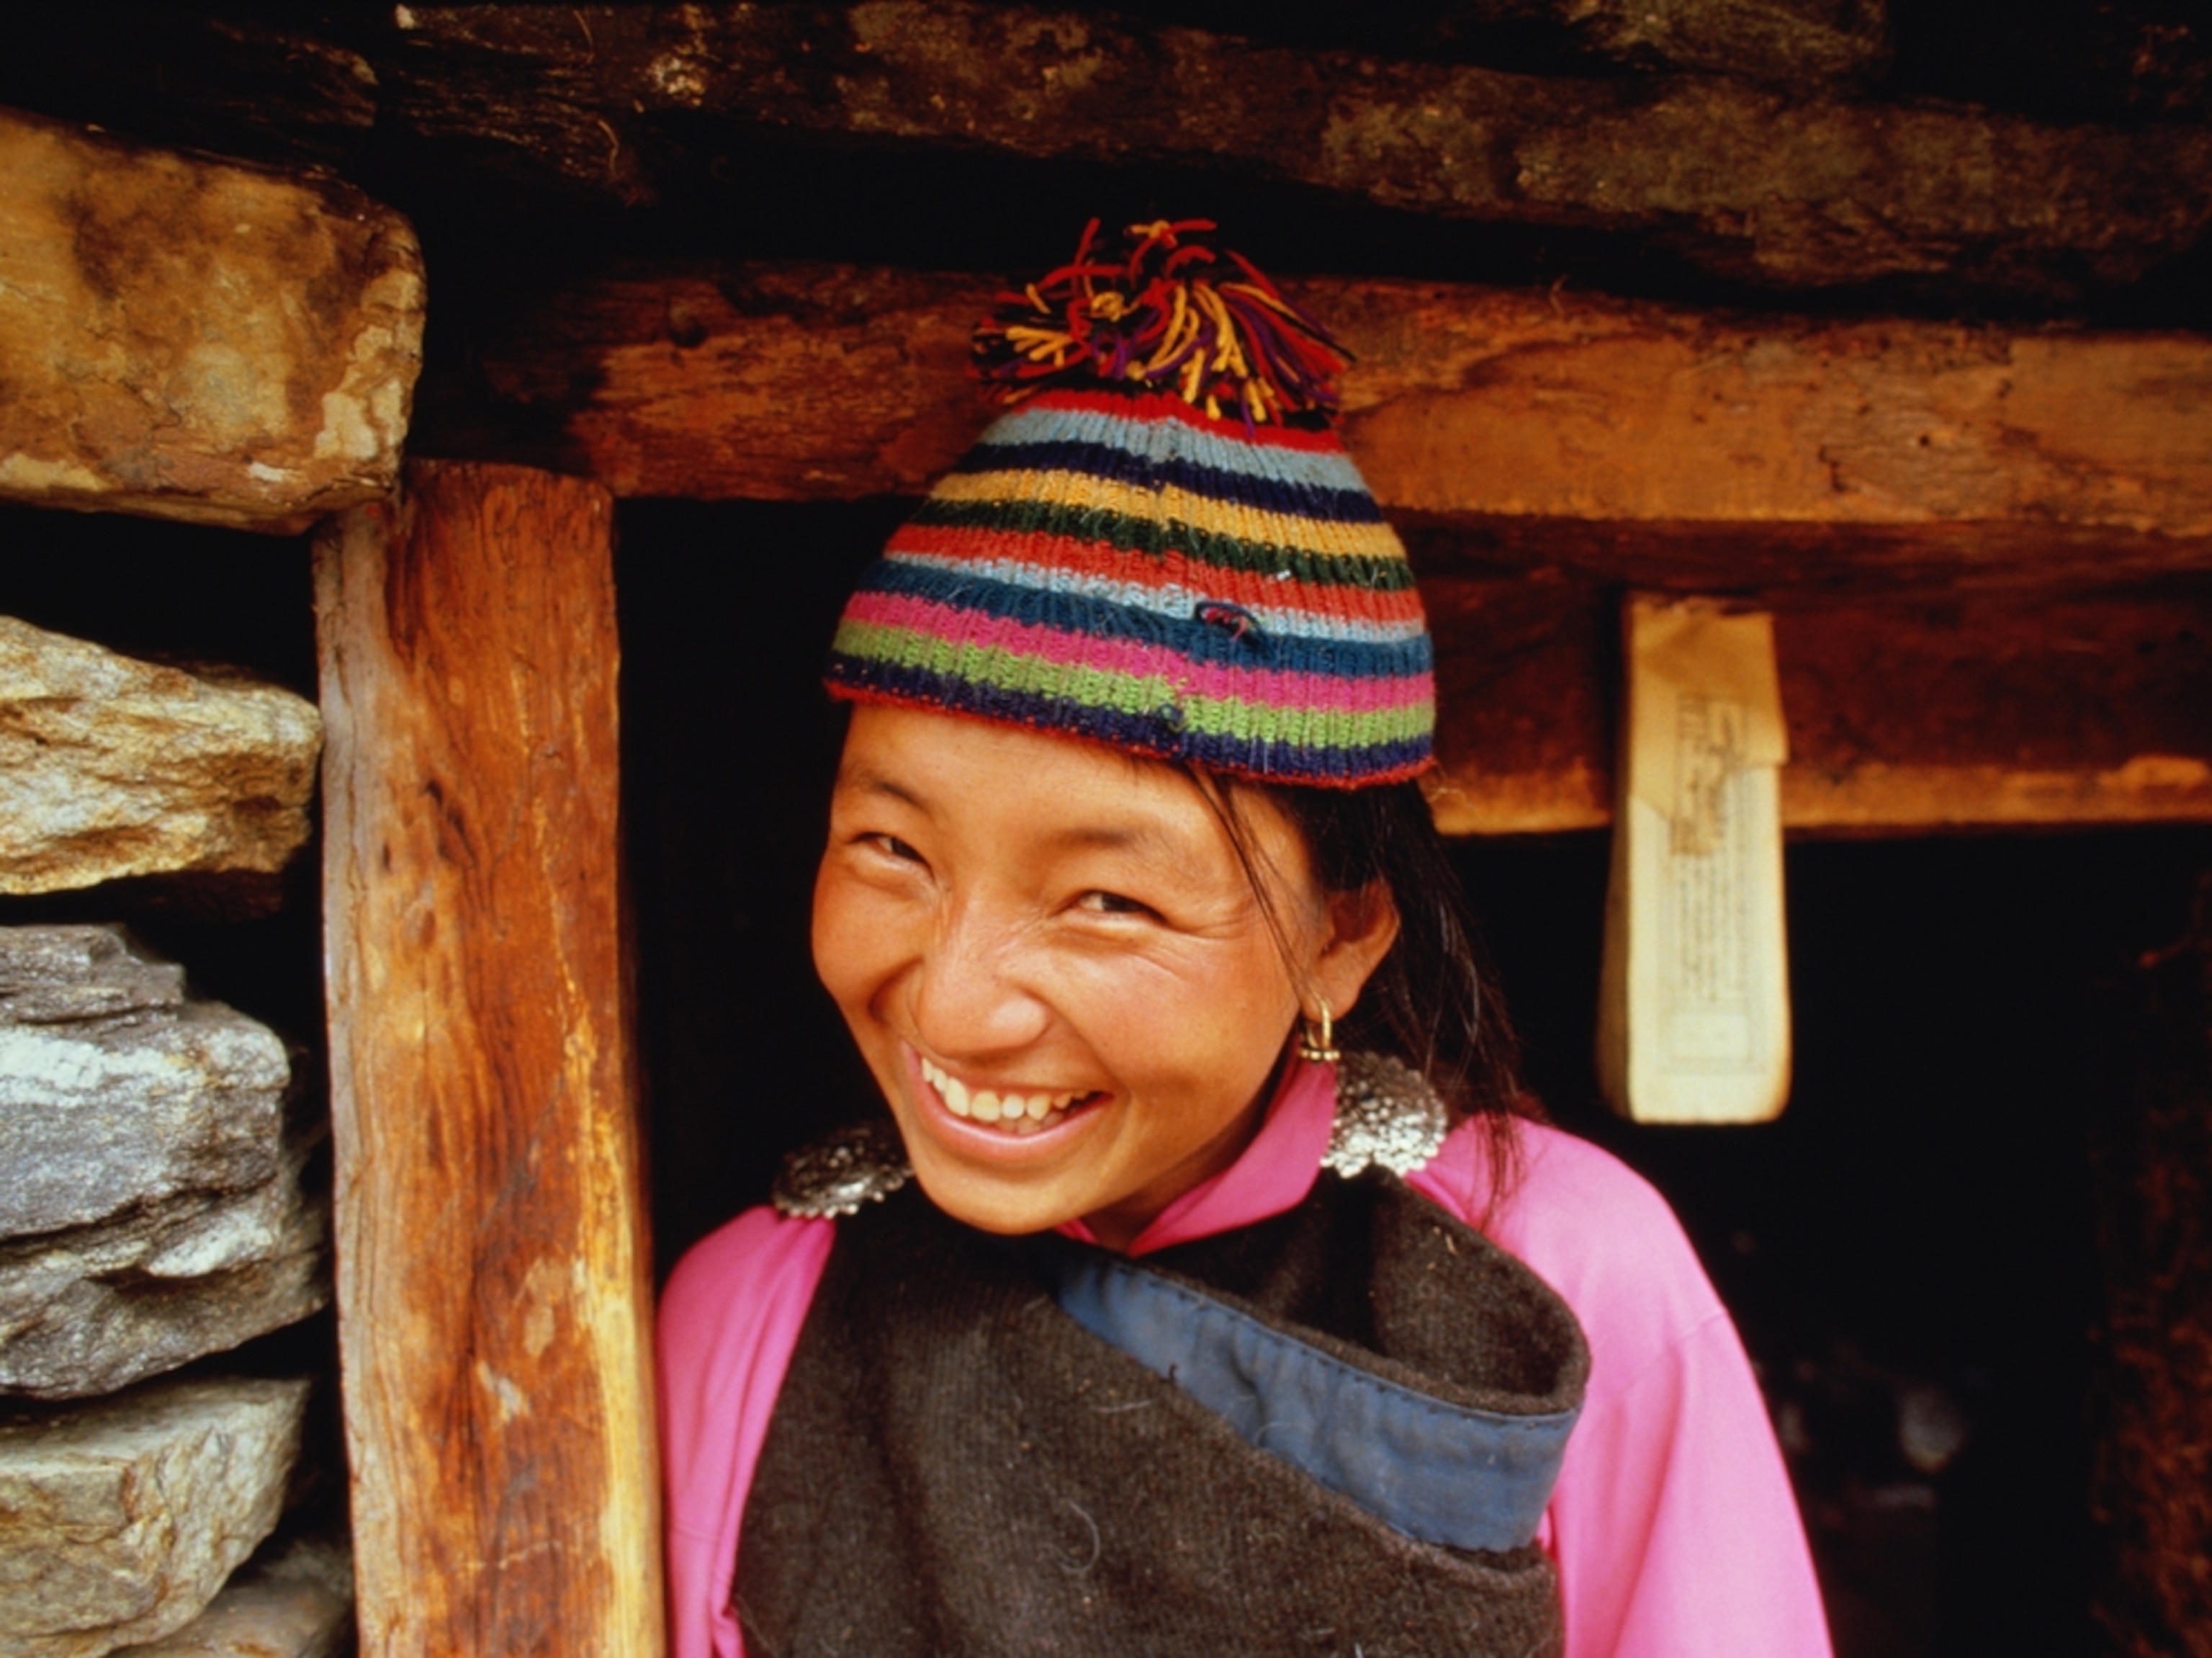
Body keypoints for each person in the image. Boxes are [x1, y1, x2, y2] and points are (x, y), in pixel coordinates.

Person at [658, 218, 1833, 1657]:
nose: (954, 1008)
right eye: (891, 849)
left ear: (1343, 936)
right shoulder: (750, 1314)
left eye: (1109, 899)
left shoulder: (1568, 1272)